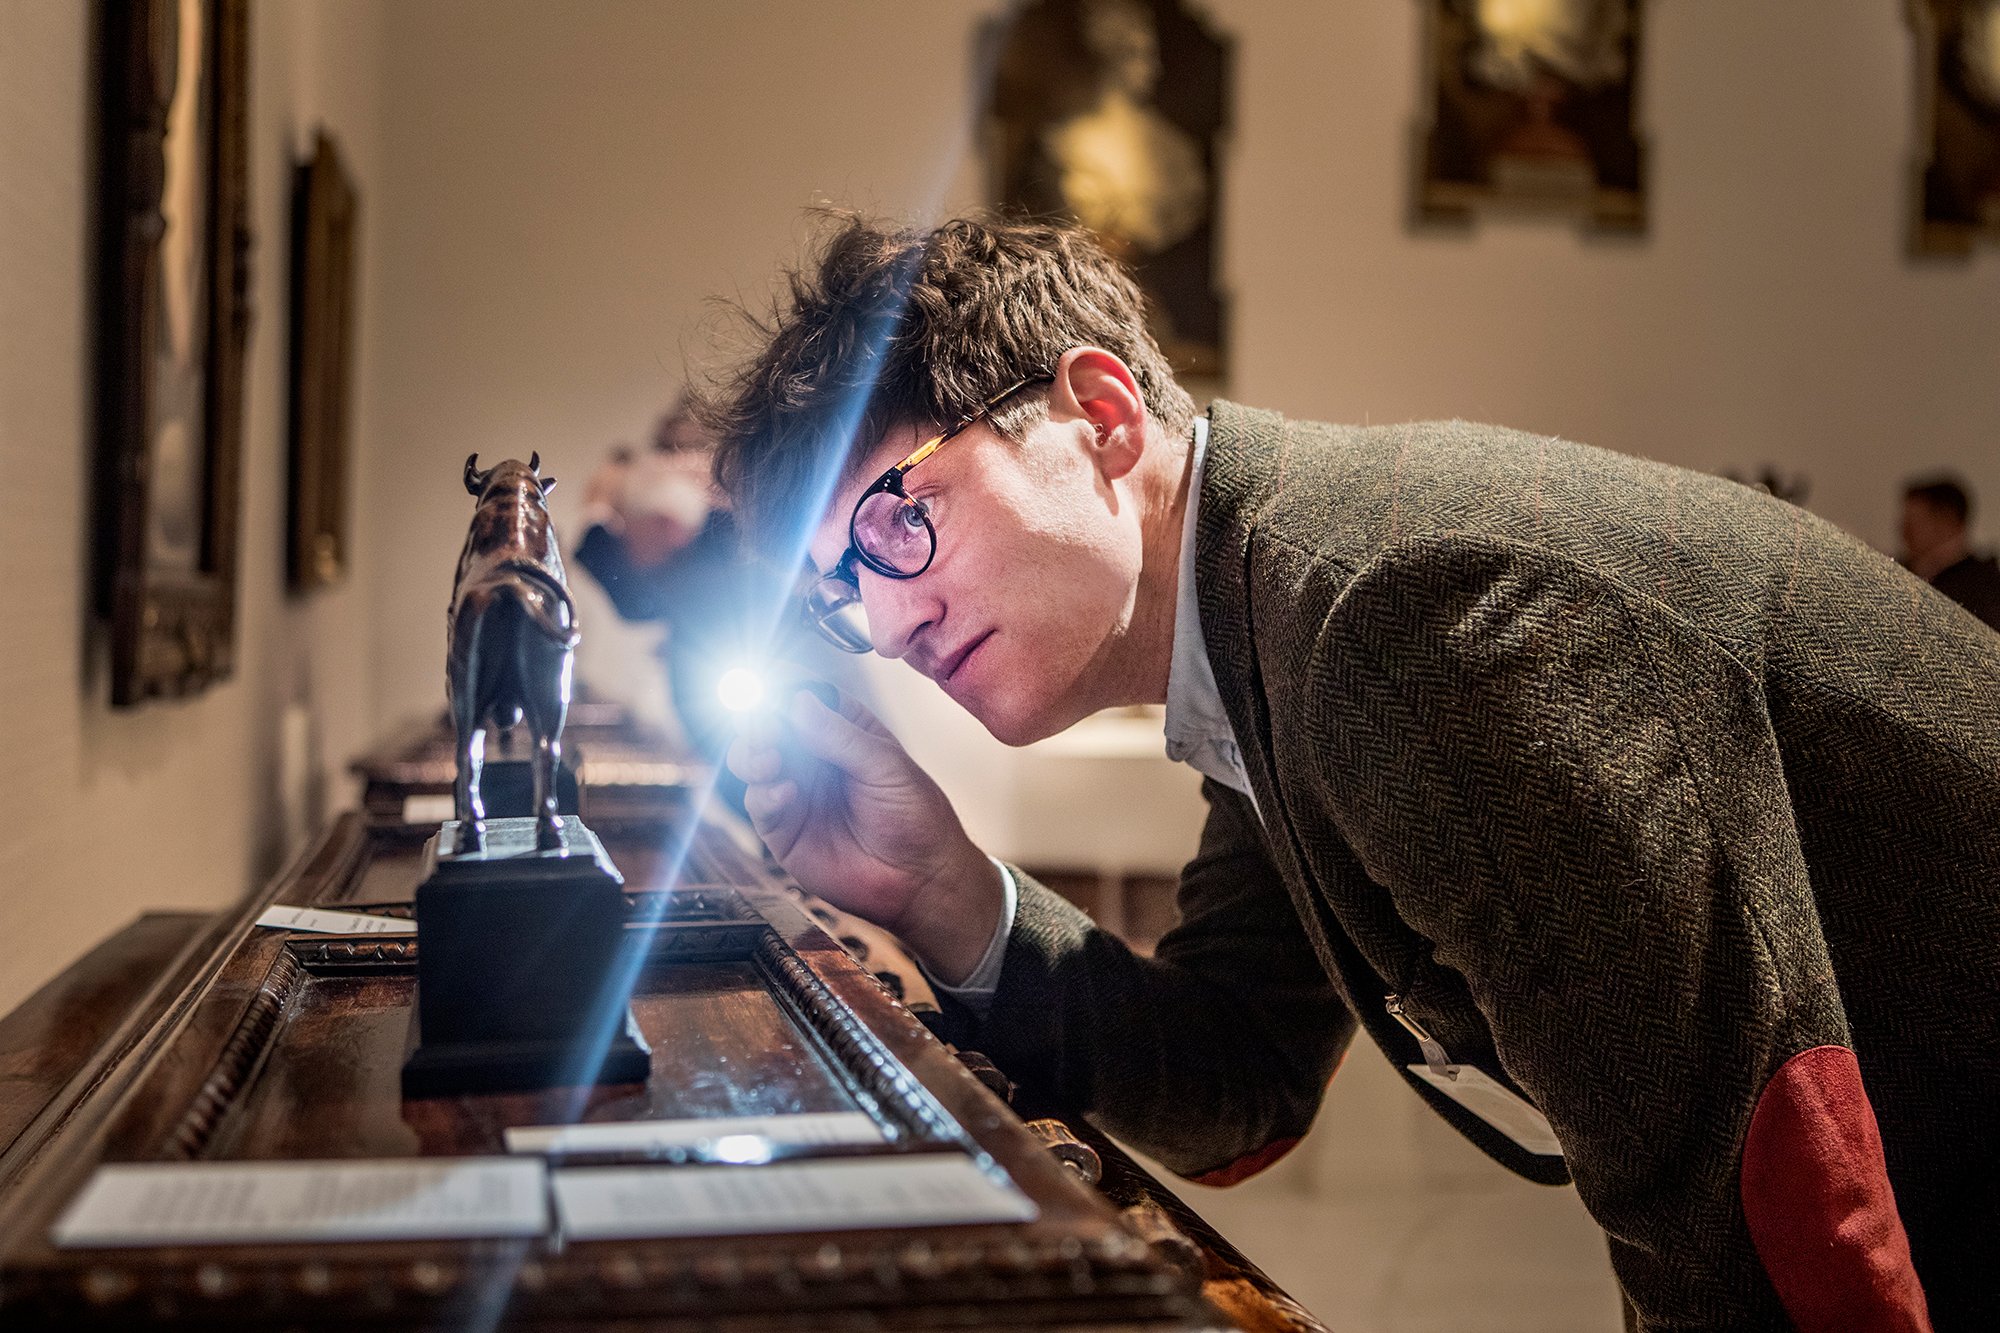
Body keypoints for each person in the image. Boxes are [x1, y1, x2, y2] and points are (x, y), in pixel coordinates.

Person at [696, 215, 1999, 1332]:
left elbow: (1751, 1193)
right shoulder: (1268, 622)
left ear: (1097, 415)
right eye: (837, 595)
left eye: (892, 523)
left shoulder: (1390, 619)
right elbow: (1242, 1085)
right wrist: (936, 881)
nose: (886, 623)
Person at [1901, 475, 2000, 631]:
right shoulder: (1905, 570)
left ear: (1946, 520)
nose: (1904, 533)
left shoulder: (1985, 589)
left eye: (1912, 524)